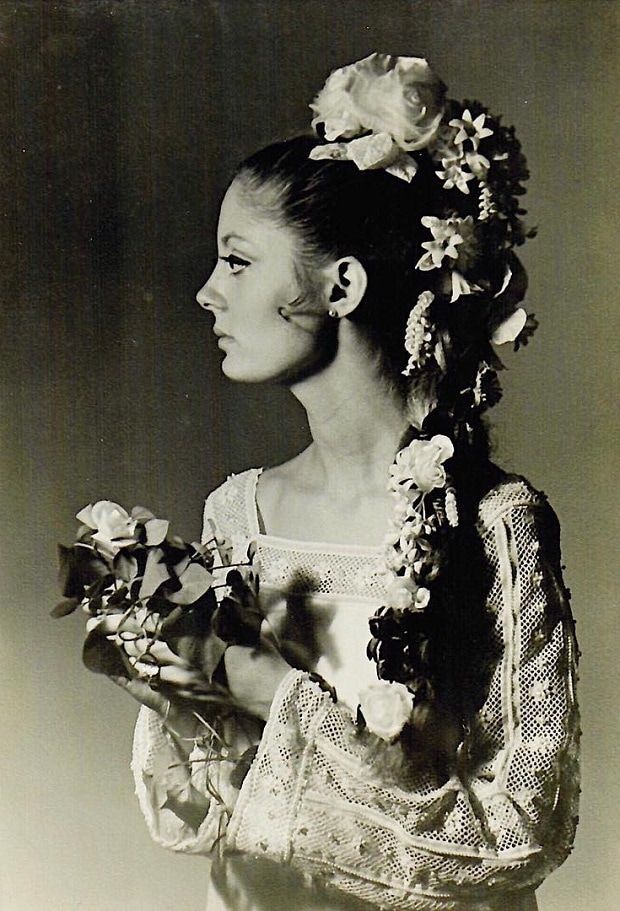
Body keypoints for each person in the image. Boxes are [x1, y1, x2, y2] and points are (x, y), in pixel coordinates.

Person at [90, 54, 580, 911]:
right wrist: (185, 702)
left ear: (341, 284)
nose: (206, 293)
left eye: (238, 262)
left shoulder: (496, 523)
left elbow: (521, 832)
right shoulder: (238, 514)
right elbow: (226, 810)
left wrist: (278, 696)